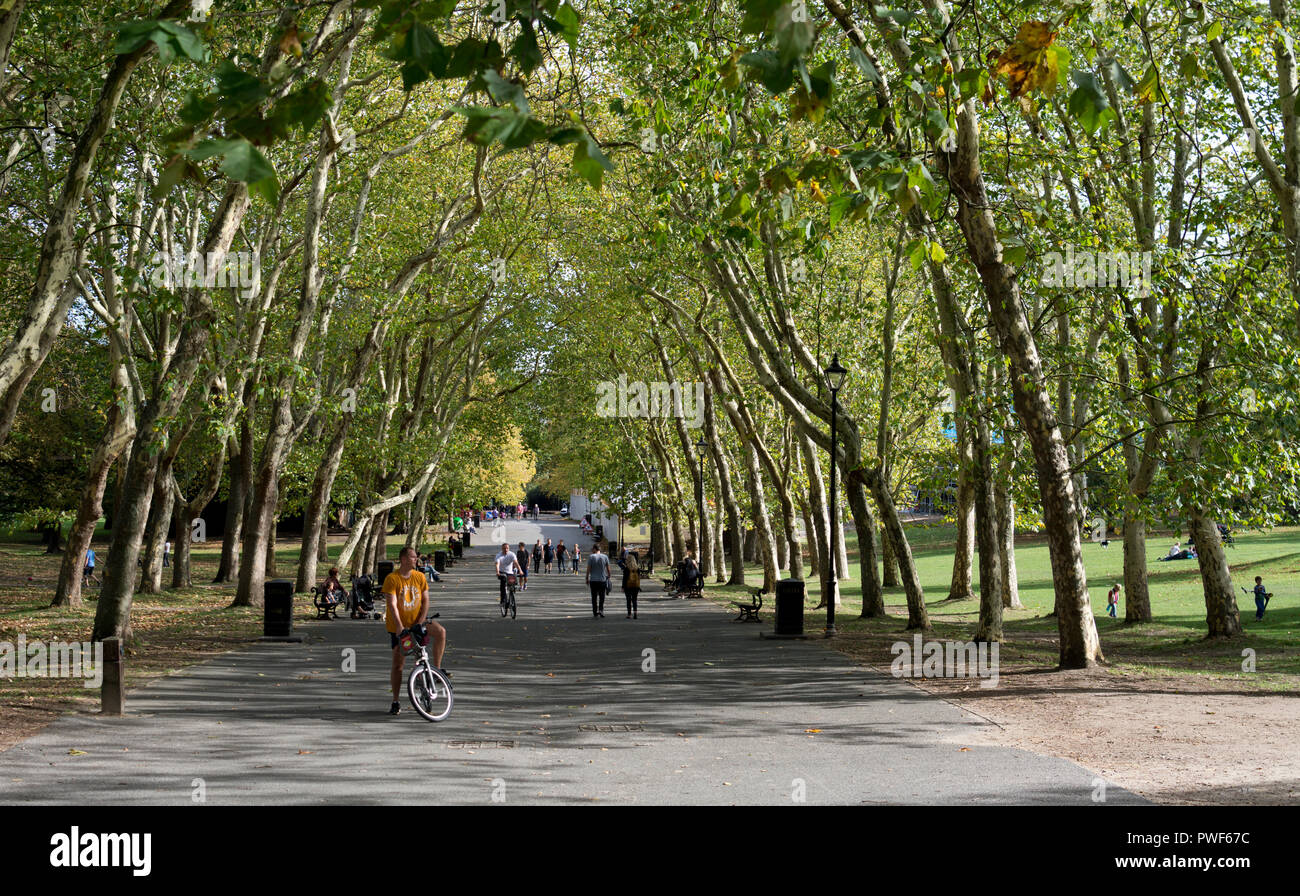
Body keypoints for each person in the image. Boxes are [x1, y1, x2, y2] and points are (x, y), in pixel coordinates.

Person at [384, 546, 446, 716]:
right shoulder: (392, 579)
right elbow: (392, 605)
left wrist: (420, 622)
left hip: (417, 623)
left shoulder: (419, 577)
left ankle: (435, 671)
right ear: (404, 559)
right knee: (398, 665)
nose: (416, 559)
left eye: (416, 557)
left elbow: (426, 601)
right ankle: (395, 701)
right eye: (413, 557)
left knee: (440, 632)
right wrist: (398, 626)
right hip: (399, 627)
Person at [586, 543, 611, 618]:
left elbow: (588, 569)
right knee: (602, 596)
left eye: (592, 549)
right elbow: (608, 568)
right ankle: (601, 610)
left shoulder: (591, 557)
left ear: (595, 549)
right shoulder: (605, 557)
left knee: (594, 597)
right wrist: (609, 575)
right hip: (602, 580)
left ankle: (594, 611)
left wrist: (587, 578)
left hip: (593, 580)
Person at [623, 553, 641, 619]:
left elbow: (624, 579)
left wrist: (623, 587)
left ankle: (629, 614)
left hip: (628, 586)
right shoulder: (637, 568)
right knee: (634, 600)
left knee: (628, 600)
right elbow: (639, 578)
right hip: (635, 586)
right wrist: (639, 586)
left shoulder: (626, 569)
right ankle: (635, 612)